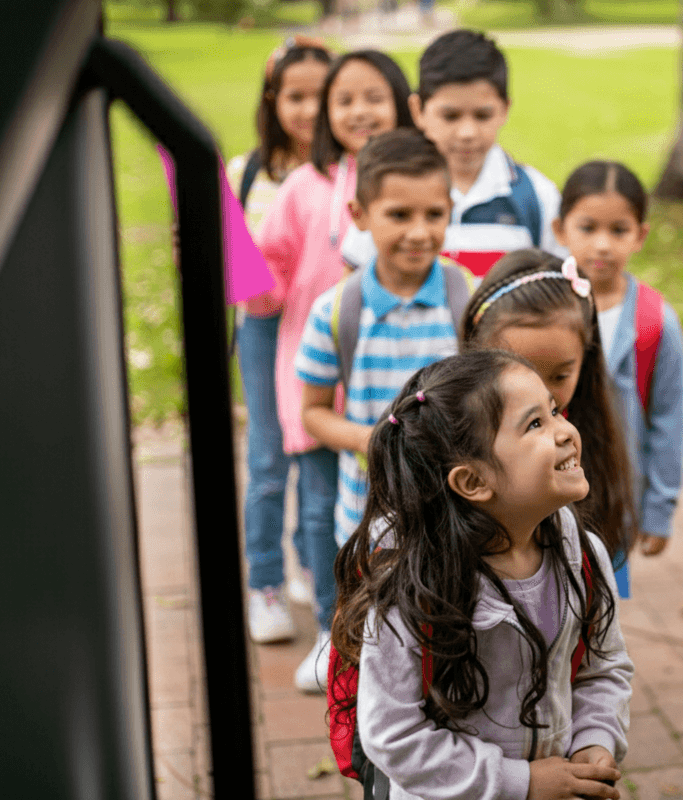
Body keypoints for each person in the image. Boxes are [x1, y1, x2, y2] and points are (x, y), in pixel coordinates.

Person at [329, 349, 632, 800]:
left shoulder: (583, 557)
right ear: (473, 482)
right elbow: (394, 737)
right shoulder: (415, 591)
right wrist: (521, 783)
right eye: (535, 425)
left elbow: (602, 669)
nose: (566, 432)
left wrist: (595, 741)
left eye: (553, 410)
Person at [256, 50, 415, 692]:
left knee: (400, 513)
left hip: (395, 382)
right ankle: (333, 632)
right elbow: (267, 285)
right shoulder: (302, 188)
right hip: (321, 388)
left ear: (402, 104)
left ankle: (403, 624)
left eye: (373, 96)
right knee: (323, 510)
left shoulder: (418, 180)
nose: (358, 110)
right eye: (343, 99)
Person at [293, 129, 464, 691]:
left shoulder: (468, 300)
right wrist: (371, 439)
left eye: (434, 213)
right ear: (360, 214)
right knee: (379, 645)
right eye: (399, 214)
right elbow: (313, 412)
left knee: (451, 637)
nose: (420, 232)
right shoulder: (336, 310)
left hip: (456, 514)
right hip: (370, 519)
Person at [226, 36, 331, 647]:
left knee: (315, 449)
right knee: (269, 458)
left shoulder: (343, 168)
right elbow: (238, 263)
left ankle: (309, 564)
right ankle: (263, 582)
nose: (311, 110)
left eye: (323, 95)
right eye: (297, 96)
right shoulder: (250, 172)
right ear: (273, 100)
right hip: (267, 327)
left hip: (324, 322)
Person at [459, 249, 638, 597]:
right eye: (520, 374)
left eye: (559, 375)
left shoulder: (590, 441)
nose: (540, 397)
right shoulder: (458, 450)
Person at [553, 161, 683, 594]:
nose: (602, 244)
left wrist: (659, 512)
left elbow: (670, 421)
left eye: (619, 230)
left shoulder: (655, 322)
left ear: (641, 235)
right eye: (588, 227)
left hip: (614, 505)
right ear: (560, 230)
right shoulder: (540, 312)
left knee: (598, 614)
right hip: (543, 498)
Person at [340, 29, 566, 278]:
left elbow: (560, 290)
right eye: (450, 116)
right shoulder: (389, 189)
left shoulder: (537, 196)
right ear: (418, 110)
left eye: (482, 115)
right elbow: (353, 284)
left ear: (505, 110)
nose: (467, 132)